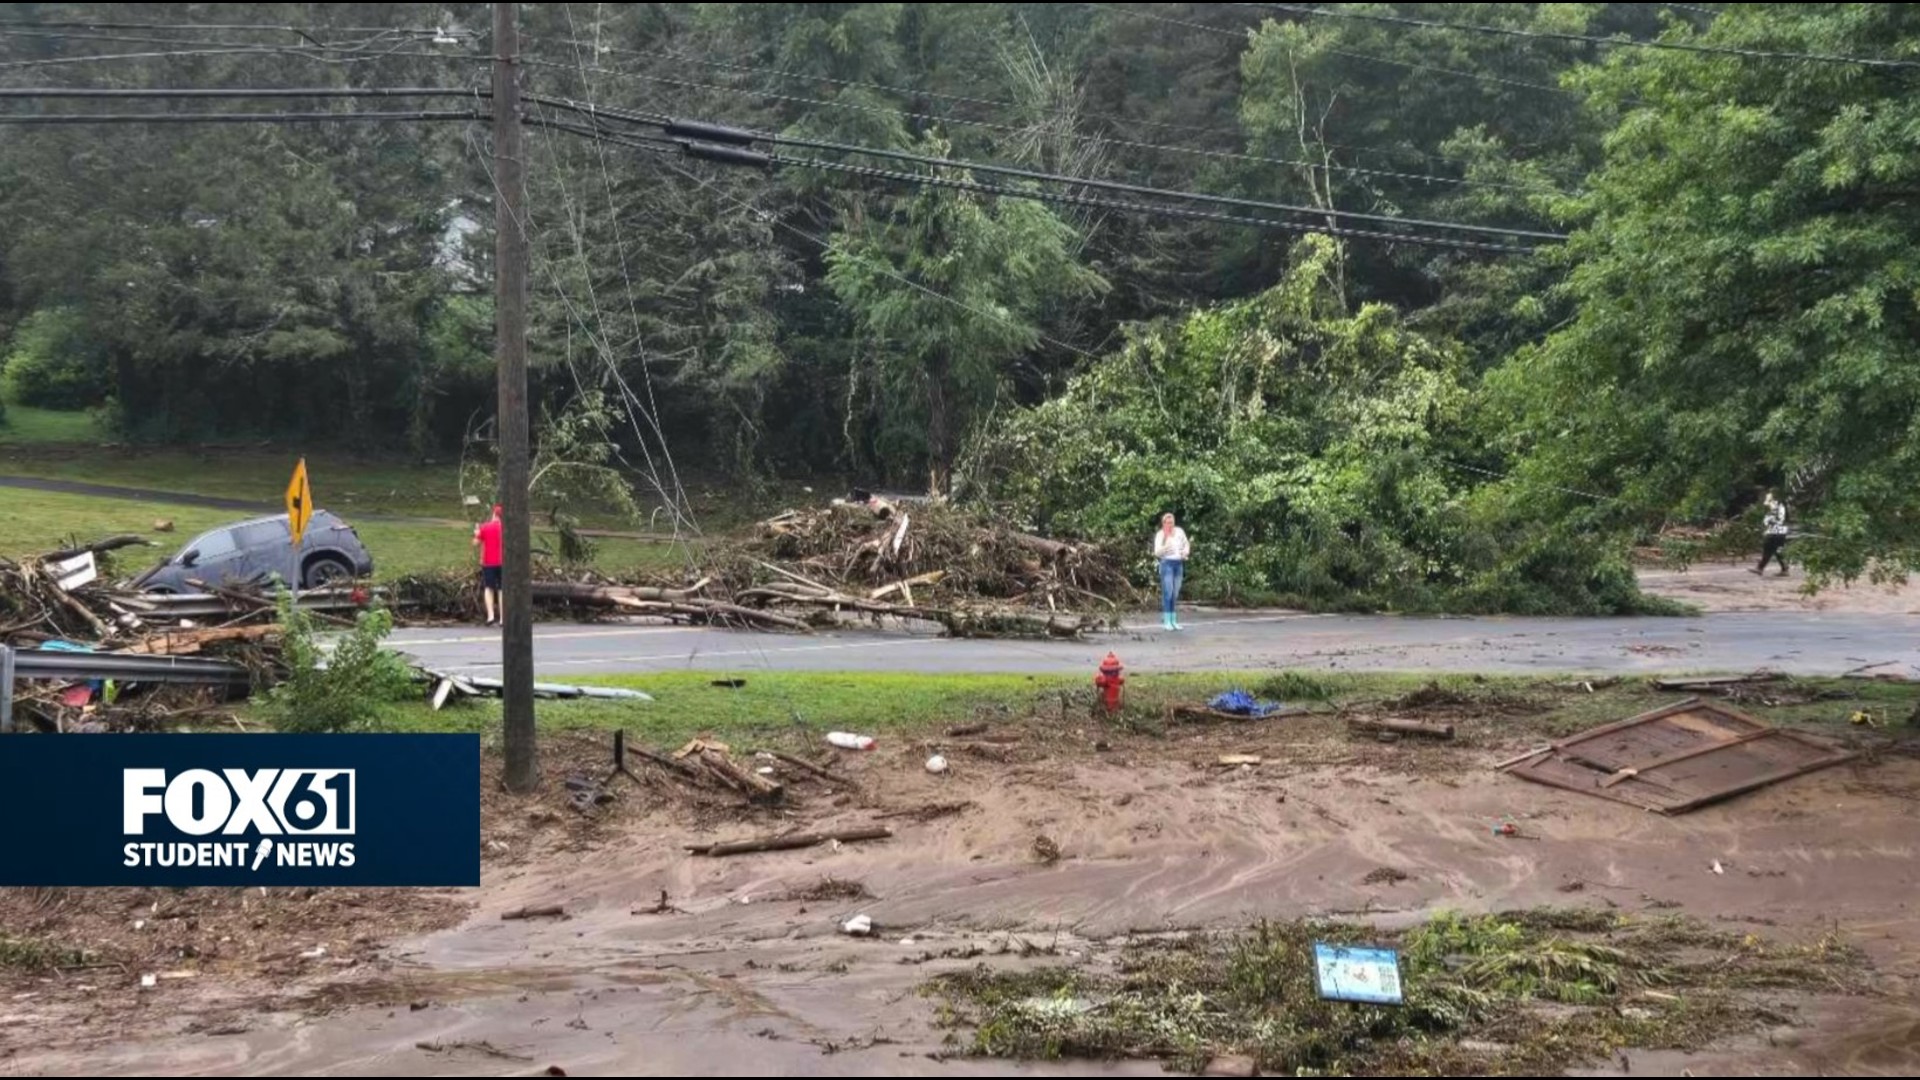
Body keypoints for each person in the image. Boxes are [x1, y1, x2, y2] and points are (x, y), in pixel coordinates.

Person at [1152, 512, 1191, 630]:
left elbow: (1186, 544)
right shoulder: (1161, 534)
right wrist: (1165, 548)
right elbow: (1157, 552)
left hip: (1178, 564)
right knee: (1168, 592)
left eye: (1172, 522)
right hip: (1167, 564)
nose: (1170, 524)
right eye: (1168, 522)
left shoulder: (1179, 531)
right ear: (1163, 523)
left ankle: (1174, 621)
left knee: (1175, 592)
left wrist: (1185, 552)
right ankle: (1167, 621)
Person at [473, 504, 504, 625]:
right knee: (502, 589)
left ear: (494, 514)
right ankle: (502, 618)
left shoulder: (485, 527)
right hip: (503, 562)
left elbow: (475, 543)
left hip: (488, 562)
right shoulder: (506, 528)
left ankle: (490, 616)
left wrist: (476, 533)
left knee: (489, 588)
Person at [1753, 491, 1790, 577]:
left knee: (1768, 548)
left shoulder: (1777, 506)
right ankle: (1784, 568)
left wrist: (1769, 521)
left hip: (1776, 531)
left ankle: (1760, 568)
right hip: (1779, 531)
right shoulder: (1777, 506)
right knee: (1777, 550)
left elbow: (1777, 519)